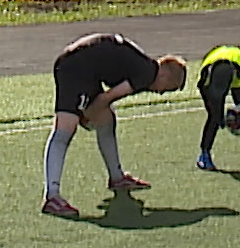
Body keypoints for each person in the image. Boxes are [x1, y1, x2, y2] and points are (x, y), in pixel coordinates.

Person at [41, 33, 188, 217]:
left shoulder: (144, 67)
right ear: (165, 74)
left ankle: (117, 178)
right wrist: (86, 115)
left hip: (87, 70)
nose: (162, 93)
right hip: (75, 69)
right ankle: (52, 196)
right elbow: (107, 97)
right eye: (169, 88)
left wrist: (90, 113)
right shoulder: (146, 74)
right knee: (64, 131)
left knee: (107, 120)